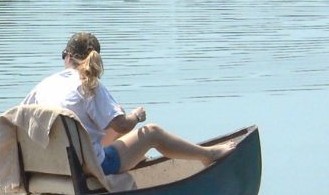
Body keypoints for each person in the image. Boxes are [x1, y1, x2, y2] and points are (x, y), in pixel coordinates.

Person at [23, 32, 234, 175]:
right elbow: (122, 126)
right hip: (89, 167)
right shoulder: (90, 85)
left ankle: (136, 157)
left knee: (114, 118)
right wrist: (136, 117)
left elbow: (19, 118)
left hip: (51, 166)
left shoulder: (43, 85)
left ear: (67, 56)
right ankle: (209, 155)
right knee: (151, 132)